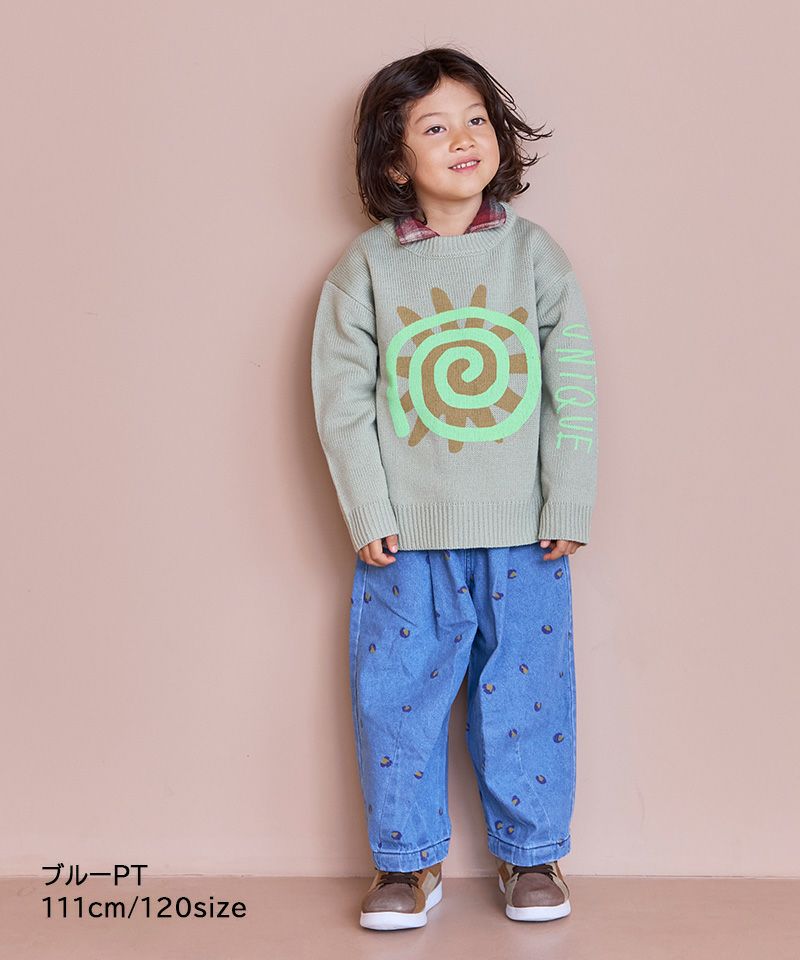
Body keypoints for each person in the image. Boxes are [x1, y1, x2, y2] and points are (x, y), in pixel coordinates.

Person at [310, 45, 598, 931]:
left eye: (476, 120)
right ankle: (406, 864)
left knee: (528, 698)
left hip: (524, 537)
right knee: (397, 700)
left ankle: (532, 854)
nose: (463, 138)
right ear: (396, 162)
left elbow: (572, 385)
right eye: (434, 127)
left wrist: (568, 500)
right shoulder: (365, 268)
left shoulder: (534, 256)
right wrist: (368, 510)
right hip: (406, 543)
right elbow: (341, 399)